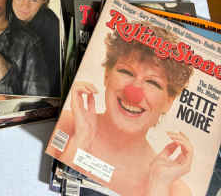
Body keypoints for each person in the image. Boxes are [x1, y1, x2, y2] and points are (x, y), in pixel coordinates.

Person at [55, 26, 194, 196]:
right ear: (107, 75)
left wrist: (158, 186)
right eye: (126, 72)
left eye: (153, 83)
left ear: (168, 102)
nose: (133, 92)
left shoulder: (173, 188)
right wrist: (80, 140)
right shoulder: (67, 125)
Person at [10, 0, 60, 96]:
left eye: (33, 0)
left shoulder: (51, 24)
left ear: (44, 0)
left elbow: (51, 74)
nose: (24, 6)